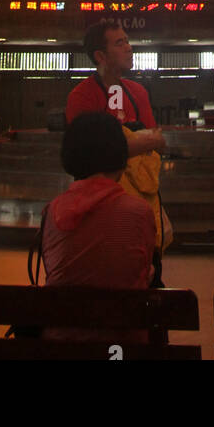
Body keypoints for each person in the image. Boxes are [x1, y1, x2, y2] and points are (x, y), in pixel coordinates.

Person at [40, 113, 156, 342]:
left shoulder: (51, 212)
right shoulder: (139, 212)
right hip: (124, 345)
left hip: (61, 347)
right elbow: (141, 274)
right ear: (120, 157)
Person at [65, 16, 168, 271]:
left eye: (128, 42)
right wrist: (137, 142)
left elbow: (157, 142)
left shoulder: (138, 92)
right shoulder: (82, 96)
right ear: (100, 55)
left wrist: (126, 143)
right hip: (97, 209)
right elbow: (89, 157)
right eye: (120, 43)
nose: (129, 48)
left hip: (141, 200)